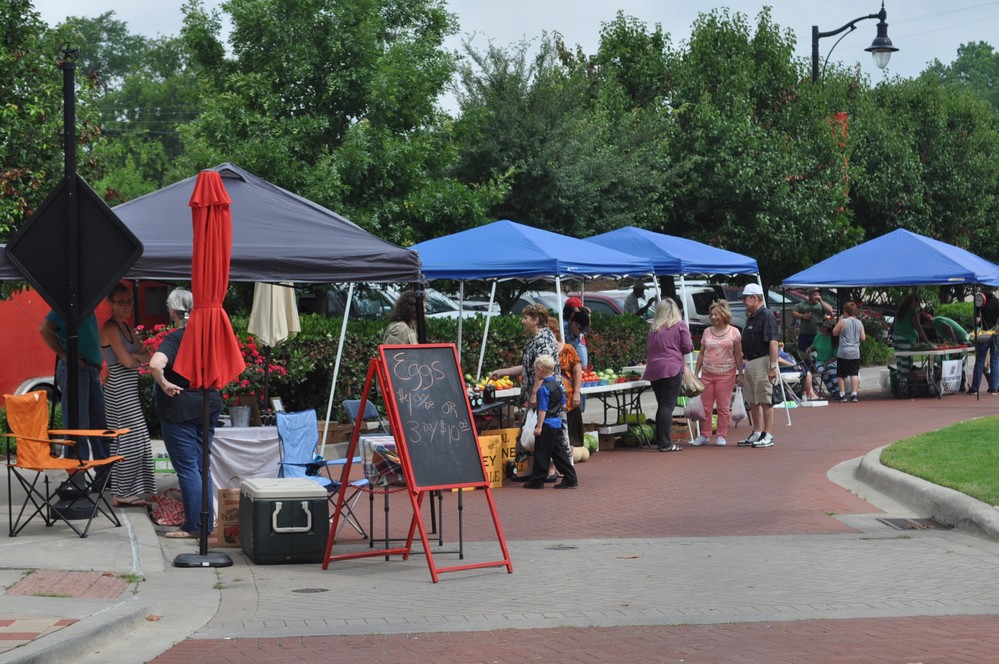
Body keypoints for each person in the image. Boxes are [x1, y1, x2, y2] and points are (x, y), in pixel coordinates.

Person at [148, 288, 223, 539]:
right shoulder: (209, 337)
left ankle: (194, 526)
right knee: (203, 466)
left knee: (188, 468)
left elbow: (155, 364)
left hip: (180, 406)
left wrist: (164, 383)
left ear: (172, 311)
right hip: (208, 401)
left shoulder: (176, 337)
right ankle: (206, 523)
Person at [490, 304, 565, 478]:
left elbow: (543, 368)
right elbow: (528, 367)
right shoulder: (537, 339)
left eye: (526, 318)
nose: (523, 321)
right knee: (531, 429)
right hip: (537, 391)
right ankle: (532, 469)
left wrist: (534, 395)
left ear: (536, 320)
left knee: (544, 429)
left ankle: (549, 470)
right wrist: (504, 372)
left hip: (543, 393)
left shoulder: (544, 340)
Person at [100, 283, 155, 507]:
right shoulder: (111, 328)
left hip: (128, 389)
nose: (127, 306)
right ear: (110, 304)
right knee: (128, 440)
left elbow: (148, 355)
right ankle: (121, 492)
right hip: (118, 390)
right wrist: (136, 356)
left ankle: (128, 489)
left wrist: (136, 356)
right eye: (121, 302)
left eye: (129, 301)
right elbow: (129, 361)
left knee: (137, 439)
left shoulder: (128, 329)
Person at [39, 308, 108, 474]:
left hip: (90, 368)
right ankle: (76, 478)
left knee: (98, 425)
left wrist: (97, 362)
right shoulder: (66, 306)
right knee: (77, 426)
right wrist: (65, 355)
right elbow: (45, 329)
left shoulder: (87, 306)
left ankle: (105, 477)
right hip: (76, 369)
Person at [642, 297, 693, 452]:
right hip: (671, 368)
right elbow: (688, 347)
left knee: (662, 405)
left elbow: (649, 350)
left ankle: (661, 439)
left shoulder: (653, 329)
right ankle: (665, 443)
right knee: (667, 406)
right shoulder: (680, 326)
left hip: (654, 369)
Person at [692, 300, 742, 447]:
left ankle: (721, 435)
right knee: (705, 406)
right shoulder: (707, 331)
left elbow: (738, 354)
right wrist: (696, 372)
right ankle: (705, 435)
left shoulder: (734, 332)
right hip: (707, 373)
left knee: (723, 406)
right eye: (711, 314)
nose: (713, 317)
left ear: (724, 314)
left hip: (726, 373)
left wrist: (740, 373)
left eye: (716, 314)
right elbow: (701, 354)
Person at [524, 355, 578, 489]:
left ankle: (537, 480)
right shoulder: (557, 385)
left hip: (547, 423)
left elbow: (542, 408)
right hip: (557, 422)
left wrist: (539, 426)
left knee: (541, 452)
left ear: (540, 370)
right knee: (559, 452)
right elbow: (564, 404)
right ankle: (570, 477)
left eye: (536, 370)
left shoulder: (543, 389)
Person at [738, 283, 779, 448]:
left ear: (755, 298)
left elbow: (773, 342)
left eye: (746, 298)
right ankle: (757, 432)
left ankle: (768, 434)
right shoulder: (752, 316)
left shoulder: (766, 315)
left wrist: (773, 366)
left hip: (762, 360)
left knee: (765, 398)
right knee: (753, 399)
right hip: (751, 362)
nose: (743, 301)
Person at [833, 301, 866, 402]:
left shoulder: (843, 321)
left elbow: (834, 332)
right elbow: (863, 338)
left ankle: (842, 395)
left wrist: (840, 320)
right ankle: (854, 394)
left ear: (845, 312)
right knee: (854, 374)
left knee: (841, 374)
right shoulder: (859, 323)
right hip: (855, 352)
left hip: (843, 352)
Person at [970, 285, 999, 395]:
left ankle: (975, 388)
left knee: (980, 360)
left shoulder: (980, 302)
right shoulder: (997, 302)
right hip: (996, 334)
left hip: (984, 335)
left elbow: (977, 320)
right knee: (995, 360)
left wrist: (972, 330)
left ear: (984, 291)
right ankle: (993, 388)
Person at [792, 288, 832, 354]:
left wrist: (821, 301)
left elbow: (830, 310)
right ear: (810, 295)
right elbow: (793, 314)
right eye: (815, 295)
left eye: (819, 295)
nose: (817, 296)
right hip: (804, 334)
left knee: (817, 353)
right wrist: (802, 316)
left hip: (818, 334)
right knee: (803, 353)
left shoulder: (821, 305)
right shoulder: (802, 305)